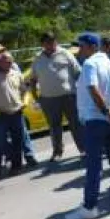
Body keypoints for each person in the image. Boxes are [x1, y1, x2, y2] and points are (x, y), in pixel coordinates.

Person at [65, 33, 110, 219]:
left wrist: (105, 111)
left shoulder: (90, 64)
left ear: (93, 46)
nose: (80, 50)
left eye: (82, 46)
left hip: (95, 119)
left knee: (94, 163)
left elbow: (93, 88)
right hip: (109, 118)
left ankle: (90, 206)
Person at [29, 32, 84, 162]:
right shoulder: (37, 58)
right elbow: (33, 79)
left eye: (53, 41)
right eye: (47, 42)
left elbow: (78, 73)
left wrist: (82, 92)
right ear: (42, 44)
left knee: (76, 124)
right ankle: (57, 151)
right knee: (54, 126)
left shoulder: (65, 53)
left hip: (69, 96)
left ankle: (84, 148)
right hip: (48, 99)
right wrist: (35, 96)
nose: (51, 44)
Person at [0, 51, 34, 179]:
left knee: (18, 141)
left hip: (16, 112)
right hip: (0, 115)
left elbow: (25, 91)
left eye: (11, 61)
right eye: (7, 61)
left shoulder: (16, 74)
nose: (10, 63)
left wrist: (24, 102)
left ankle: (16, 167)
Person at [0, 43, 36, 168]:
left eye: (3, 50)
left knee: (22, 133)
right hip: (0, 109)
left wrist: (23, 101)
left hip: (15, 105)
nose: (1, 53)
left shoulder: (13, 65)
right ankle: (10, 156)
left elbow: (20, 84)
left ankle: (29, 155)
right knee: (0, 139)